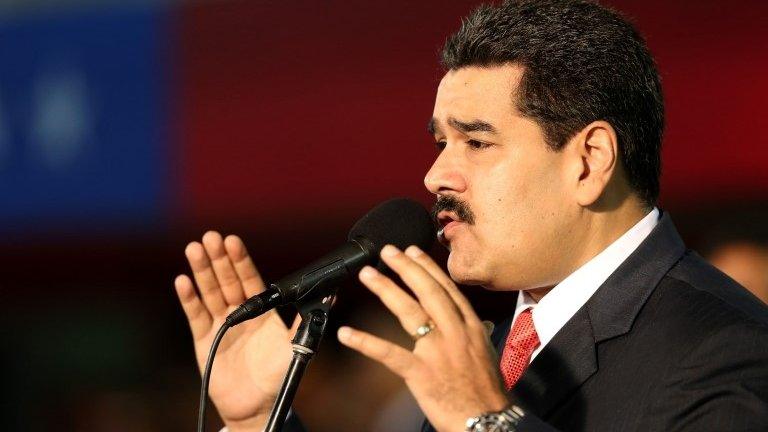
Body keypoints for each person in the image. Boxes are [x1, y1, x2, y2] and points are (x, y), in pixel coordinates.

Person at [174, 1, 768, 431]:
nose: (436, 178)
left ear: (589, 160)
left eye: (477, 143)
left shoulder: (730, 352)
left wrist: (488, 421)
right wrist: (260, 421)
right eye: (440, 144)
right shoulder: (490, 353)